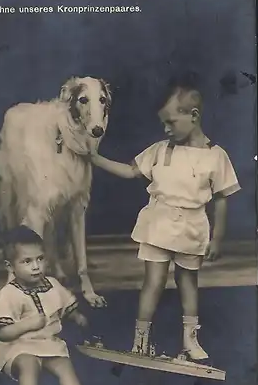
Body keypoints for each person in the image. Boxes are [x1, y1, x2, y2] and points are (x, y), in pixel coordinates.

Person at [90, 82, 241, 361]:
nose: (166, 130)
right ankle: (140, 342)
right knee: (153, 281)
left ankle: (190, 341)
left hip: (193, 229)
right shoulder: (160, 150)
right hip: (158, 223)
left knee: (188, 282)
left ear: (193, 116)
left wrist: (218, 237)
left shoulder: (217, 157)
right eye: (163, 124)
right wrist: (95, 158)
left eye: (171, 122)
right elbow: (131, 170)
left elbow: (221, 198)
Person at [0, 225, 102, 385]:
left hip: (49, 343)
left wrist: (77, 316)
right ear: (10, 266)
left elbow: (67, 306)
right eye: (27, 261)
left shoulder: (52, 285)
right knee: (29, 365)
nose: (36, 267)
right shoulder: (8, 294)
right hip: (18, 346)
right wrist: (28, 325)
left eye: (40, 259)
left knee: (65, 366)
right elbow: (4, 333)